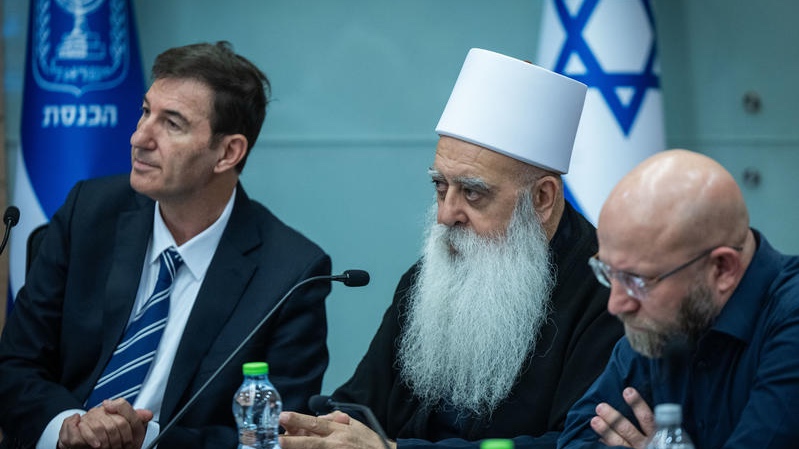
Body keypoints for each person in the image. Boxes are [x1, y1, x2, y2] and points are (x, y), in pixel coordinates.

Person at [279, 48, 623, 449]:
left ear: (542, 199)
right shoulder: (431, 277)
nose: (446, 215)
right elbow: (360, 401)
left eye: (473, 193)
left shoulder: (611, 292)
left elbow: (578, 443)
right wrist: (330, 432)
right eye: (440, 187)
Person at [0, 42, 331, 449]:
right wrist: (68, 427)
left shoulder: (290, 274)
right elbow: (15, 366)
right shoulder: (88, 213)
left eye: (171, 124)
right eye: (145, 112)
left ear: (228, 152)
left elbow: (273, 436)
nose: (140, 137)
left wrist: (147, 439)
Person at [557, 149, 799, 449]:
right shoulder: (659, 324)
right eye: (609, 272)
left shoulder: (790, 317)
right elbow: (575, 438)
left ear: (722, 269)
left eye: (637, 280)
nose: (616, 304)